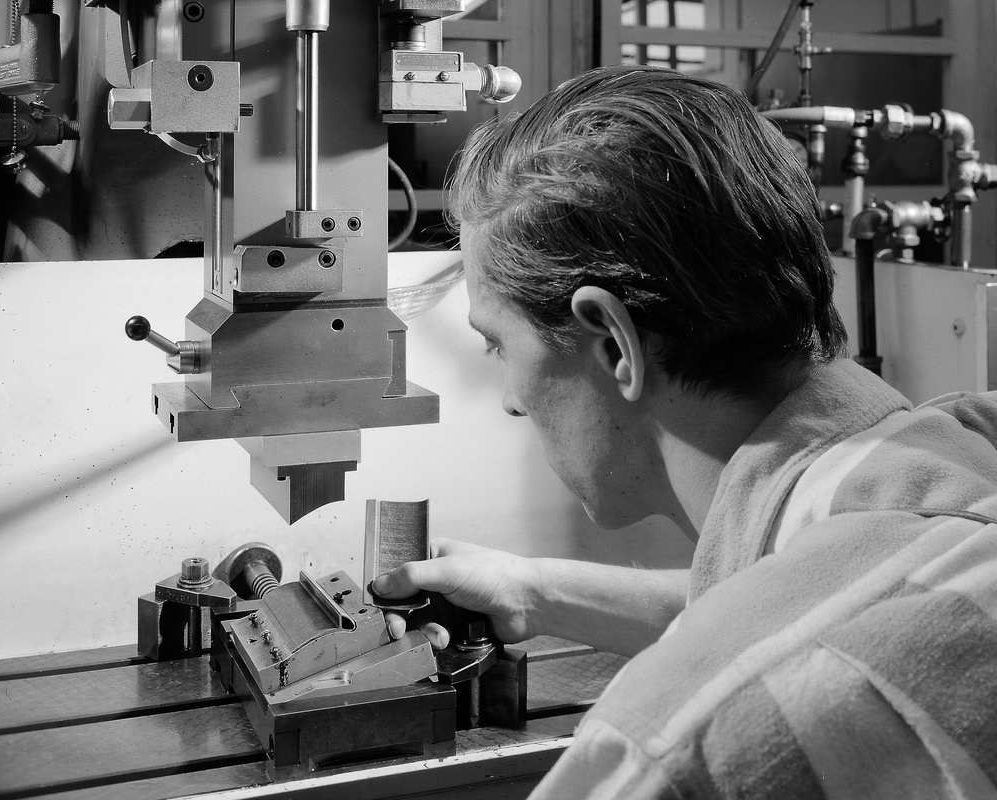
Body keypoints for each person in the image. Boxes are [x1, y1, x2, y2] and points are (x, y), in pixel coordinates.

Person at [372, 65, 997, 798]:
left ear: (613, 342)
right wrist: (532, 590)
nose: (511, 400)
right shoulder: (964, 444)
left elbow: (778, 637)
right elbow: (810, 594)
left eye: (499, 345)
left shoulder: (671, 752)